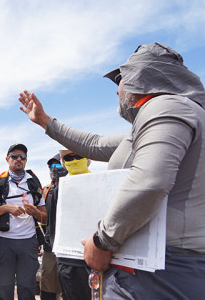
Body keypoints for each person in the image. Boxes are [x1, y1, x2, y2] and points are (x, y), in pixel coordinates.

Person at [19, 42, 205, 299]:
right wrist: (45, 121)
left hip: (163, 270)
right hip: (156, 268)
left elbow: (150, 182)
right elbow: (94, 144)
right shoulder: (158, 120)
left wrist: (103, 240)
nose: (117, 90)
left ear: (140, 77)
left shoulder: (167, 108)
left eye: (120, 79)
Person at [0, 143, 46, 300]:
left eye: (23, 157)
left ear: (26, 160)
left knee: (27, 288)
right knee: (4, 288)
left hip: (28, 243)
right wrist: (6, 208)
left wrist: (36, 212)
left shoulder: (33, 182)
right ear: (7, 159)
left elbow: (45, 217)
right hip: (2, 242)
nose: (19, 159)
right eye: (14, 156)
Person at [54, 150, 92, 300]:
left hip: (95, 256)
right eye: (69, 158)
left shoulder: (101, 182)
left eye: (78, 156)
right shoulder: (59, 190)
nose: (74, 160)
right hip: (67, 259)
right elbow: (53, 224)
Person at [40, 154, 67, 300]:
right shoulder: (45, 190)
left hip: (71, 249)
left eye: (58, 165)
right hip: (50, 247)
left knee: (69, 288)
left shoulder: (76, 184)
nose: (54, 169)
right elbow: (41, 218)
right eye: (51, 166)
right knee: (48, 288)